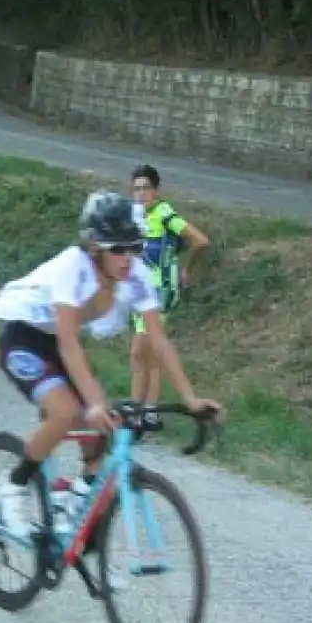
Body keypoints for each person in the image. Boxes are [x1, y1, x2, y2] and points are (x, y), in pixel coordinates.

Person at [0, 191, 223, 544]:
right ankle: (15, 485)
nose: (128, 258)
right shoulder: (72, 267)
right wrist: (93, 403)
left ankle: (76, 520)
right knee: (66, 412)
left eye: (134, 248)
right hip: (24, 337)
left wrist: (190, 398)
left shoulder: (136, 274)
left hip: (62, 345)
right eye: (117, 249)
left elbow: (158, 339)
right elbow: (67, 341)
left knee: (103, 435)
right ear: (95, 247)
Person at [127, 164, 208, 432]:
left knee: (141, 349)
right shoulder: (136, 217)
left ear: (157, 190)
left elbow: (200, 241)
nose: (140, 194)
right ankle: (146, 412)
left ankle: (140, 412)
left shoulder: (164, 214)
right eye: (136, 189)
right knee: (144, 354)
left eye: (145, 188)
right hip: (141, 292)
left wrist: (186, 268)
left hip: (160, 292)